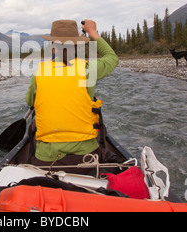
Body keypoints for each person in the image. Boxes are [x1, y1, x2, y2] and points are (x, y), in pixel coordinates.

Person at [25, 19, 118, 167]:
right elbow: (112, 58)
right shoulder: (88, 69)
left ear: (53, 46)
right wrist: (93, 32)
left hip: (46, 160)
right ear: (77, 45)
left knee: (35, 125)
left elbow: (30, 102)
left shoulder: (39, 72)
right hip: (86, 158)